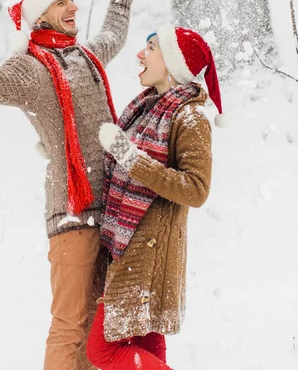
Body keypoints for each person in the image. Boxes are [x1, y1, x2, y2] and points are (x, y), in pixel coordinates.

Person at [0, 0, 133, 370]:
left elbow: (113, 33)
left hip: (111, 206)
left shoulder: (85, 56)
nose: (73, 7)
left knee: (101, 326)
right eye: (62, 3)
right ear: (40, 15)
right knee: (71, 322)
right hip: (72, 212)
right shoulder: (31, 68)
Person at [86, 26, 224, 370]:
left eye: (151, 47)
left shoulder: (189, 116)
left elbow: (196, 189)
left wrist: (132, 158)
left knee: (101, 351)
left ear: (174, 62)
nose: (140, 54)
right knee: (144, 345)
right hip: (129, 248)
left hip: (149, 257)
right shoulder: (147, 109)